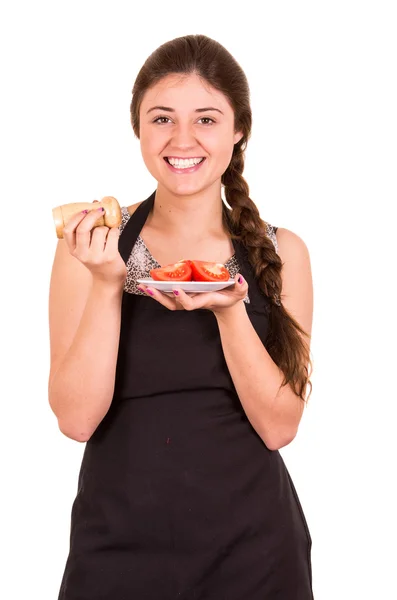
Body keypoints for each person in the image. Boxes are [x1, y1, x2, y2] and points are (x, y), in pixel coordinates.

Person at [48, 34, 314, 599]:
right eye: (162, 118)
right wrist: (105, 283)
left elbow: (280, 426)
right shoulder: (91, 246)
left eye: (208, 119)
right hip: (115, 551)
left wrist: (228, 311)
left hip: (256, 554)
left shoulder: (282, 251)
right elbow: (76, 420)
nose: (183, 139)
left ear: (239, 129)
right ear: (138, 129)